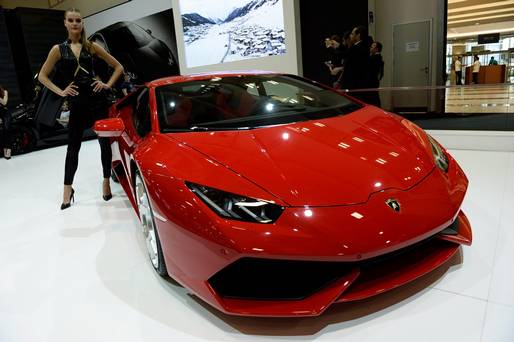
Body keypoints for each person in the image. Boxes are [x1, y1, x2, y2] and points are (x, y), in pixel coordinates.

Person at [38, 8, 124, 210]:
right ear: (65, 23)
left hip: (97, 100)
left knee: (104, 144)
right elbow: (43, 76)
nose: (75, 23)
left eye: (78, 20)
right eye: (71, 20)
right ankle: (67, 189)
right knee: (72, 148)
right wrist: (61, 92)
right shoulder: (58, 49)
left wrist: (107, 84)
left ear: (82, 23)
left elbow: (118, 67)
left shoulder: (91, 46)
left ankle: (105, 182)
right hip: (77, 102)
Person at [340, 25, 370, 101]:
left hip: (354, 84)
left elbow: (344, 55)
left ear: (358, 35)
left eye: (352, 34)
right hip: (355, 83)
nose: (350, 36)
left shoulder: (357, 47)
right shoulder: (360, 46)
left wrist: (332, 47)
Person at [368, 41, 384, 106]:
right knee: (375, 97)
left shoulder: (375, 58)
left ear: (377, 49)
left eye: (373, 46)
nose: (371, 47)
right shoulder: (377, 57)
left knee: (373, 98)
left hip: (372, 81)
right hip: (375, 81)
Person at [0, 85, 12, 159]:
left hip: (5, 113)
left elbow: (4, 102)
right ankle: (4, 149)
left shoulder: (4, 92)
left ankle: (8, 149)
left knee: (6, 128)